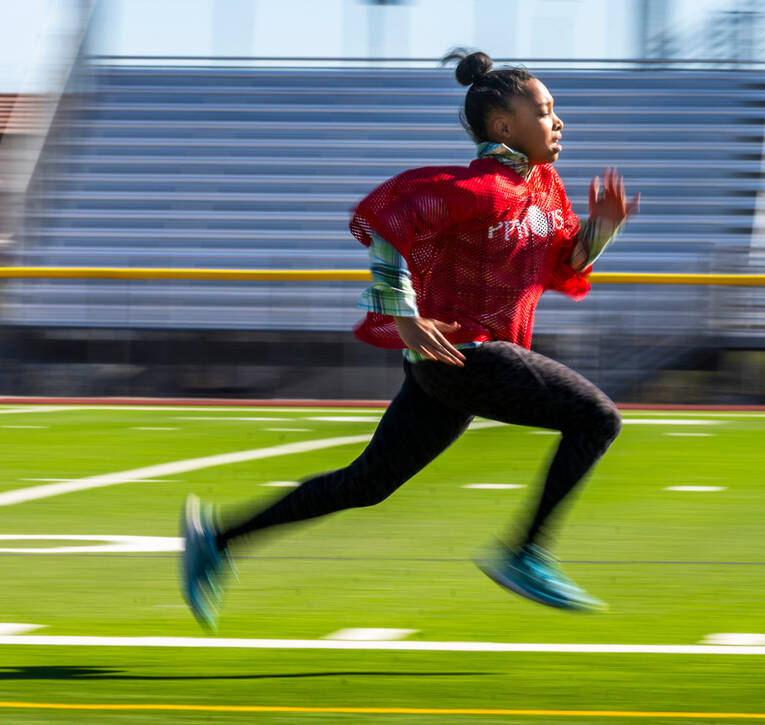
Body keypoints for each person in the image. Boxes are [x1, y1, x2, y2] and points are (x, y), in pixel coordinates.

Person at [180, 49, 639, 630]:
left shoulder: (543, 187)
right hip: (464, 353)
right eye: (546, 111)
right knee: (597, 419)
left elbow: (563, 262)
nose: (559, 121)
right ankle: (526, 554)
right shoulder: (473, 188)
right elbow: (386, 228)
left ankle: (218, 538)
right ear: (503, 128)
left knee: (368, 483)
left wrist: (602, 230)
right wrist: (403, 315)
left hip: (448, 366)